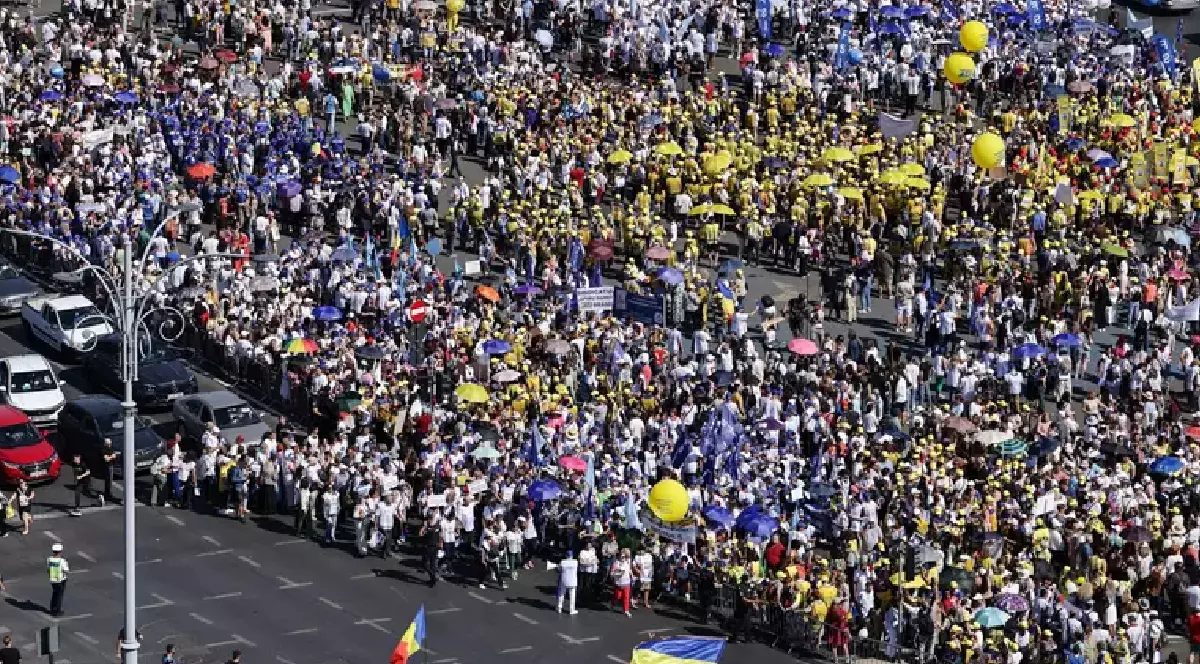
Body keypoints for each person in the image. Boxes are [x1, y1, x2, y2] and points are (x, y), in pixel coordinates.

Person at [47, 542, 69, 617]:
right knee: (59, 596)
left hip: (52, 580)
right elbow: (66, 570)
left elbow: (48, 569)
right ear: (60, 551)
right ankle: (57, 611)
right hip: (60, 580)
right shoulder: (62, 561)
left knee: (54, 594)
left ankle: (52, 609)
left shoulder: (49, 559)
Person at [611, 548, 633, 617]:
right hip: (619, 583)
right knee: (618, 596)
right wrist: (618, 573)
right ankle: (613, 604)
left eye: (624, 557)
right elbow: (612, 573)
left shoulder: (628, 562)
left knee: (626, 597)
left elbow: (629, 570)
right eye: (622, 556)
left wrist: (631, 573)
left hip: (626, 583)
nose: (623, 558)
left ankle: (626, 610)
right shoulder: (616, 563)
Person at [556, 551, 579, 615]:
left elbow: (559, 569)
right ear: (572, 556)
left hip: (564, 580)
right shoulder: (575, 562)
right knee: (572, 596)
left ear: (566, 555)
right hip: (572, 581)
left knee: (561, 594)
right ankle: (571, 610)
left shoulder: (562, 562)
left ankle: (559, 608)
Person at [101, 439, 118, 505]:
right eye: (109, 444)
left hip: (111, 465)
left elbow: (114, 456)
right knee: (108, 479)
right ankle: (108, 494)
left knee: (109, 480)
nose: (110, 445)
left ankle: (107, 493)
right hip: (107, 466)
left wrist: (111, 457)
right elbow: (106, 459)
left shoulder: (111, 449)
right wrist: (112, 457)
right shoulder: (103, 450)